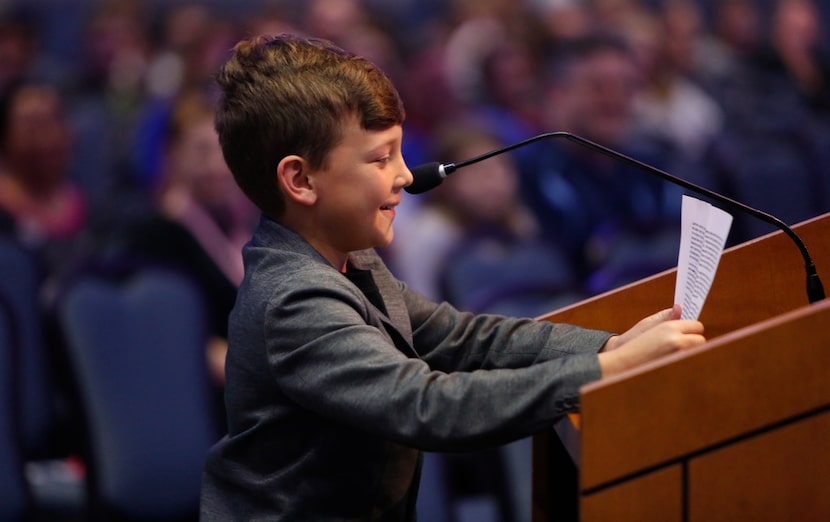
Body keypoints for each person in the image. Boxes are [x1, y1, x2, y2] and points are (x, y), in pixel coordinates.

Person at [199, 33, 706, 521]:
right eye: (380, 158)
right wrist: (605, 373)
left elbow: (463, 337)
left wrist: (608, 347)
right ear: (301, 180)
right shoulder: (296, 299)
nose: (404, 175)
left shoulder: (350, 258)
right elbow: (428, 405)